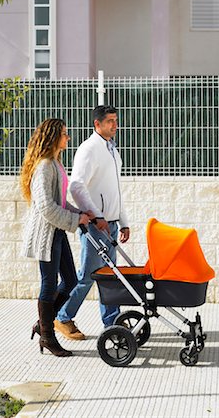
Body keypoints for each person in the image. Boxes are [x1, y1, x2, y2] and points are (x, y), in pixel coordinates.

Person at [55, 105, 130, 339]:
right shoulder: (89, 149)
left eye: (116, 120)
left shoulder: (112, 151)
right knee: (87, 276)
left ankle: (112, 323)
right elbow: (76, 186)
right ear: (97, 124)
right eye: (109, 121)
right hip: (96, 226)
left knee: (110, 275)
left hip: (110, 224)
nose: (114, 125)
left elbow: (115, 190)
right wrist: (96, 216)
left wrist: (123, 222)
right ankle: (62, 317)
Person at [20, 118, 92, 357]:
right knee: (49, 285)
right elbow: (46, 208)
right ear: (53, 137)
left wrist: (79, 214)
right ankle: (48, 336)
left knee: (70, 280)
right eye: (64, 133)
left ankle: (43, 324)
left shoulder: (55, 164)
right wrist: (75, 220)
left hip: (57, 232)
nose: (68, 137)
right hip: (47, 234)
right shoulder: (43, 166)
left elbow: (60, 203)